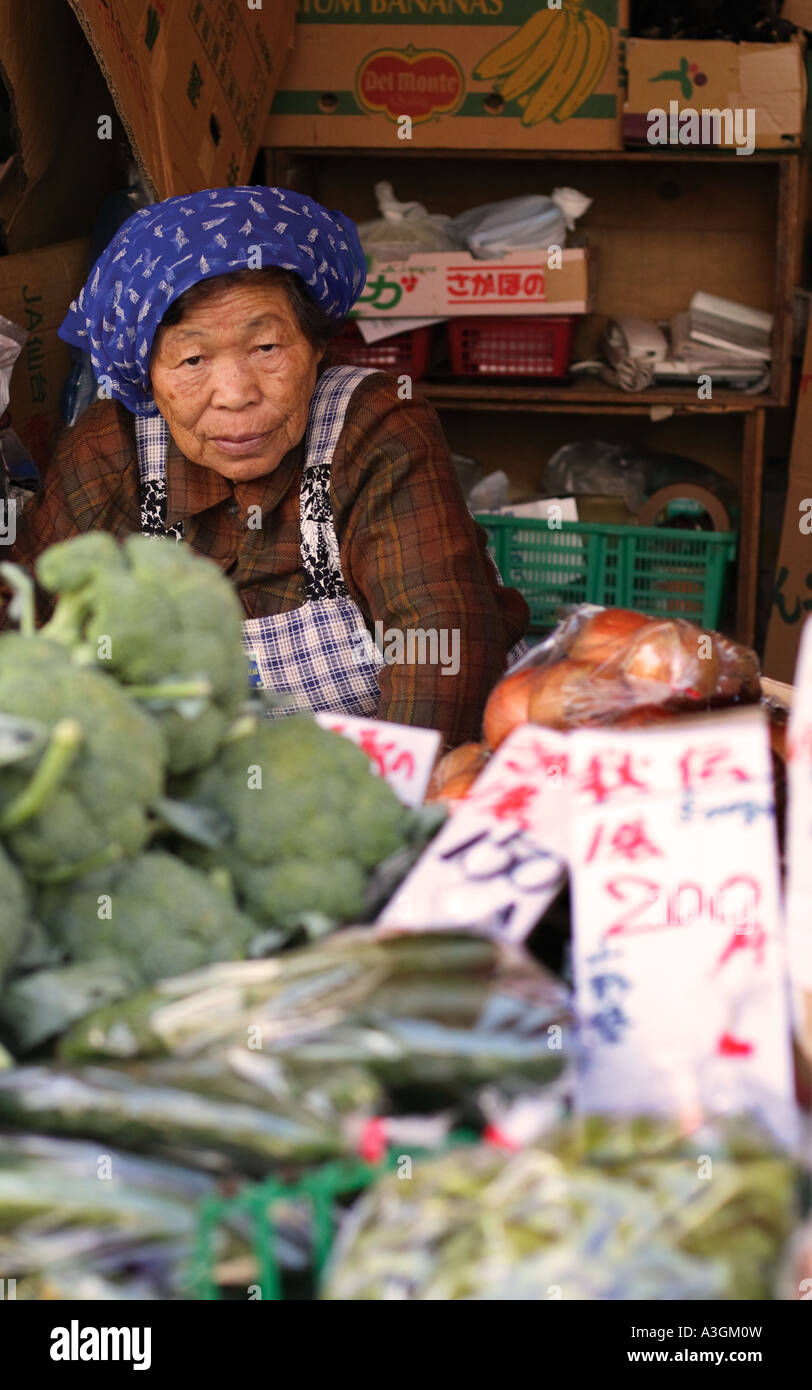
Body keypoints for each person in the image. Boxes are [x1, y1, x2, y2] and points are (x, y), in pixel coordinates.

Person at [6, 186, 528, 746]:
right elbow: (30, 635)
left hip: (377, 778)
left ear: (317, 344)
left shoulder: (372, 425)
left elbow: (437, 643)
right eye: (192, 358)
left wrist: (398, 805)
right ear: (146, 374)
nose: (235, 395)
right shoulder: (111, 451)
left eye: (266, 348)